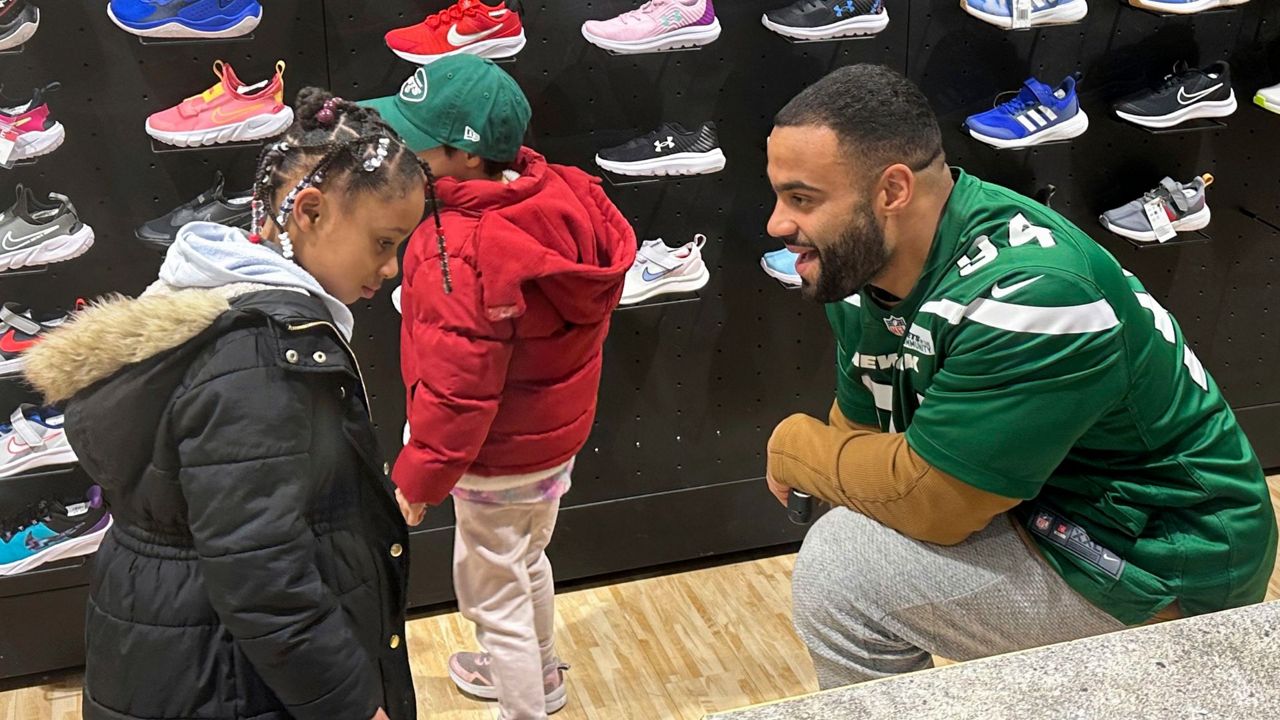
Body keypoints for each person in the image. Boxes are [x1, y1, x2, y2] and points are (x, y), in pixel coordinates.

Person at [762, 64, 1278, 690]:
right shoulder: (864, 268)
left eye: (802, 199)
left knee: (844, 571)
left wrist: (793, 446)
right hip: (1045, 504)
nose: (777, 225)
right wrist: (836, 462)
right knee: (855, 527)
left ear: (892, 190)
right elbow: (861, 439)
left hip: (1164, 557)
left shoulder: (1033, 291)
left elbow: (936, 505)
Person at [22, 89, 427, 720]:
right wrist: (350, 705)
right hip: (226, 677)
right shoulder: (260, 361)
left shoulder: (212, 301)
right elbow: (263, 575)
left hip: (186, 651)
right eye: (383, 242)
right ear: (311, 212)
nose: (393, 266)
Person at [360, 56, 636, 719]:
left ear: (466, 155)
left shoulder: (456, 248)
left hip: (494, 458)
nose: (402, 154)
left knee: (494, 597)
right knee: (525, 561)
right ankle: (540, 675)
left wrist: (418, 477)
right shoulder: (557, 194)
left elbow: (457, 390)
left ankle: (523, 703)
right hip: (548, 444)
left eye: (418, 144)